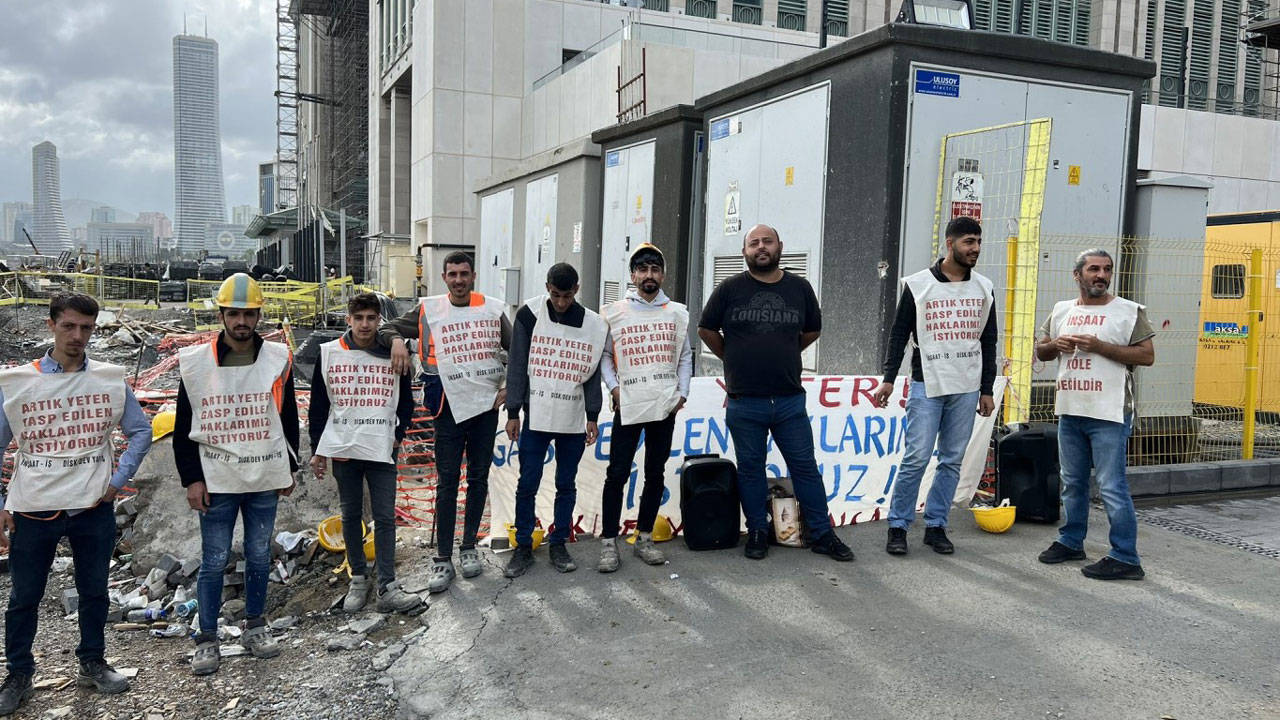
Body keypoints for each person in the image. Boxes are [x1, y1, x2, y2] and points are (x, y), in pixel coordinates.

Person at [0, 293, 152, 714]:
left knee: (94, 591)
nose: (77, 336)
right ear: (52, 325)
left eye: (86, 328)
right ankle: (18, 673)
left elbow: (140, 430)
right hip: (35, 508)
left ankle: (92, 661)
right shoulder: (19, 383)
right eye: (69, 326)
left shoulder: (105, 380)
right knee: (24, 597)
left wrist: (116, 481)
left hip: (90, 507)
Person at [697, 224, 853, 562]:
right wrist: (732, 356)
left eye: (767, 241)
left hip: (788, 401)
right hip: (744, 401)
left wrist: (785, 349)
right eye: (754, 243)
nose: (761, 247)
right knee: (750, 470)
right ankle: (757, 531)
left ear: (780, 246)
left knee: (805, 469)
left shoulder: (799, 288)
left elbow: (813, 329)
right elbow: (706, 328)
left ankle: (823, 534)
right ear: (745, 252)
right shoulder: (729, 289)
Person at [174, 273, 300, 675]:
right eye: (233, 314)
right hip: (216, 477)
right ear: (222, 316)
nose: (241, 321)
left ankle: (256, 626)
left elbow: (287, 416)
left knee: (260, 556)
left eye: (248, 314)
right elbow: (183, 425)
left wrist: (289, 466)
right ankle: (206, 639)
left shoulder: (276, 359)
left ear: (258, 315)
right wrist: (191, 478)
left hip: (263, 474)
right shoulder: (197, 365)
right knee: (213, 560)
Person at [382, 251, 511, 593]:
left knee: (479, 477)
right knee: (448, 481)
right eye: (452, 274)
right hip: (446, 408)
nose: (458, 280)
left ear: (473, 275)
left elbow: (520, 349)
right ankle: (443, 558)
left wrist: (510, 387)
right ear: (444, 277)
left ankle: (468, 547)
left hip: (484, 407)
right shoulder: (430, 309)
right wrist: (396, 340)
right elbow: (387, 326)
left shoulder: (492, 308)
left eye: (464, 274)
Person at [873, 216, 997, 556]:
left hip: (968, 384)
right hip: (926, 383)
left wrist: (986, 388)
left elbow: (989, 340)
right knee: (916, 457)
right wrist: (887, 378)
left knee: (952, 460)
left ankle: (936, 525)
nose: (975, 249)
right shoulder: (918, 285)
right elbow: (899, 333)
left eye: (978, 242)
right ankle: (898, 526)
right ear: (950, 243)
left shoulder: (984, 287)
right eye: (968, 242)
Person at [1034, 248, 1155, 581]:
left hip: (1110, 412)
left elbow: (1147, 356)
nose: (1101, 275)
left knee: (1112, 486)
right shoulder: (1061, 310)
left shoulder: (1128, 312)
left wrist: (1099, 346)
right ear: (1077, 275)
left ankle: (1126, 557)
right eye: (1093, 269)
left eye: (1106, 269)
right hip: (1072, 410)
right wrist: (1056, 344)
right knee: (1072, 482)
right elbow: (1040, 350)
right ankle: (1071, 541)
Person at [309, 293, 420, 612]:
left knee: (385, 516)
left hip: (382, 448)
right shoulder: (330, 354)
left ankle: (387, 585)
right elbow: (319, 406)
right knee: (351, 515)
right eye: (359, 318)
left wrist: (398, 436)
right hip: (344, 449)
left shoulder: (393, 354)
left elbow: (406, 401)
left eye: (372, 318)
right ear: (348, 320)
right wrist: (319, 449)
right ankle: (358, 578)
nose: (365, 324)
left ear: (379, 320)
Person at [503, 263, 607, 578]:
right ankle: (523, 545)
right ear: (548, 287)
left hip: (572, 416)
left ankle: (559, 541)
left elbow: (591, 373)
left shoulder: (592, 324)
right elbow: (518, 363)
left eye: (566, 296)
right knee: (528, 482)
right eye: (555, 295)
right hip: (536, 414)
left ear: (576, 290)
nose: (560, 302)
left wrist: (593, 414)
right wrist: (512, 411)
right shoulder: (529, 315)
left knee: (566, 483)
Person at [597, 243, 691, 572]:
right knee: (617, 473)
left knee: (655, 472)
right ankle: (609, 542)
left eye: (654, 269)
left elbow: (685, 356)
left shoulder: (676, 313)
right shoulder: (615, 312)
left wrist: (683, 393)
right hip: (630, 404)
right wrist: (615, 388)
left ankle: (645, 537)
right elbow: (606, 356)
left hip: (663, 406)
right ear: (633, 274)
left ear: (662, 274)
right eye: (642, 270)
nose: (649, 276)